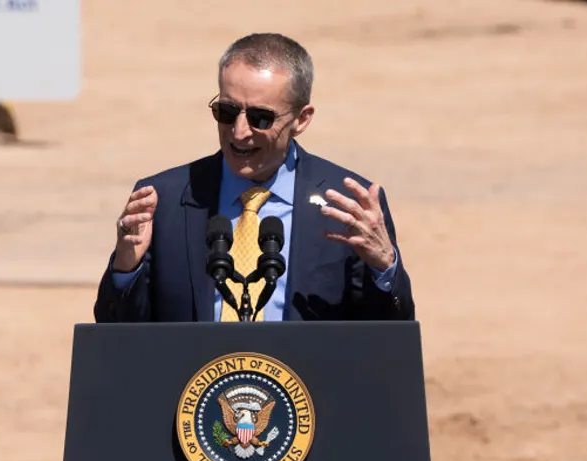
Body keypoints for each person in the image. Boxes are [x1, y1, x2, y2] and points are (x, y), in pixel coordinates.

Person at [93, 33, 415, 323]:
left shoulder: (347, 208)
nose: (239, 132)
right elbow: (118, 339)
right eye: (227, 112)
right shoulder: (164, 201)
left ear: (302, 119)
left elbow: (387, 341)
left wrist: (384, 268)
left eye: (261, 118)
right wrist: (126, 269)